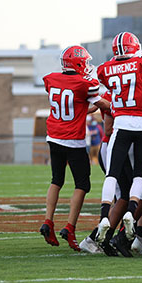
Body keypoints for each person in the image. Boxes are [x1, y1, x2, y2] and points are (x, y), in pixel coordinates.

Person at [96, 32, 142, 246]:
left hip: (121, 123)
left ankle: (103, 216)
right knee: (139, 174)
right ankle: (130, 211)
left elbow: (103, 92)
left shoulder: (106, 68)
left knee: (112, 173)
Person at [40, 45, 110, 251]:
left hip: (53, 137)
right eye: (85, 62)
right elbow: (103, 104)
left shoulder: (51, 79)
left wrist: (89, 108)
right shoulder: (84, 83)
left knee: (57, 180)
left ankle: (48, 221)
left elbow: (71, 105)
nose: (87, 66)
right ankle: (70, 227)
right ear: (78, 63)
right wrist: (111, 105)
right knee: (82, 184)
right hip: (73, 141)